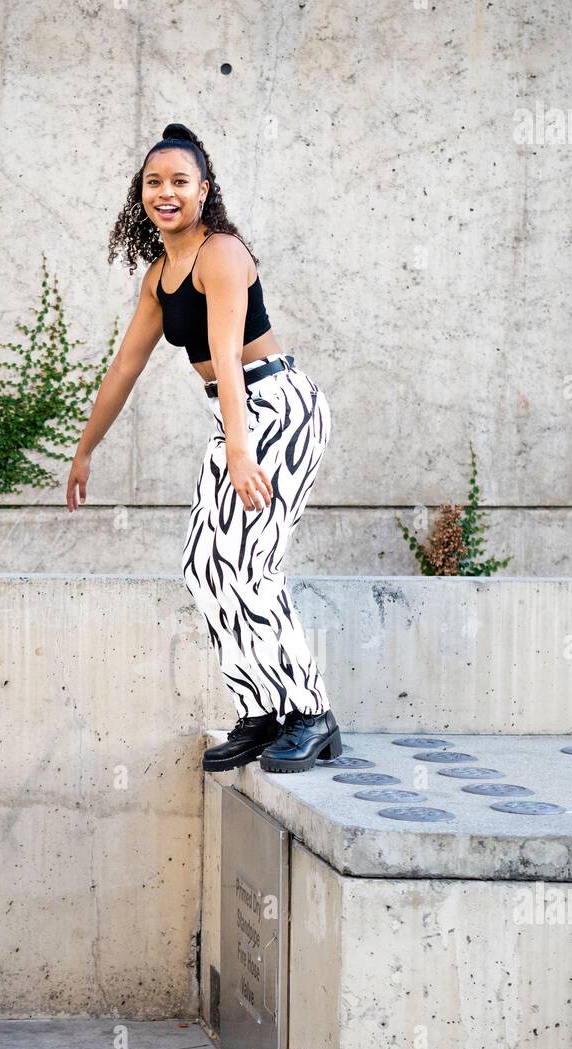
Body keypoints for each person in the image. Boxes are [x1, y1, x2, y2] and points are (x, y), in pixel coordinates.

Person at [67, 122, 342, 774]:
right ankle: (265, 708)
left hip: (275, 407)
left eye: (179, 182)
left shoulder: (222, 253)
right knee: (205, 565)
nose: (166, 192)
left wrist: (240, 452)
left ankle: (312, 715)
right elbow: (124, 369)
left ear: (204, 190)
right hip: (238, 414)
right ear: (141, 194)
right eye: (154, 182)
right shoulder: (161, 276)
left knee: (250, 563)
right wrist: (85, 451)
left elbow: (224, 349)